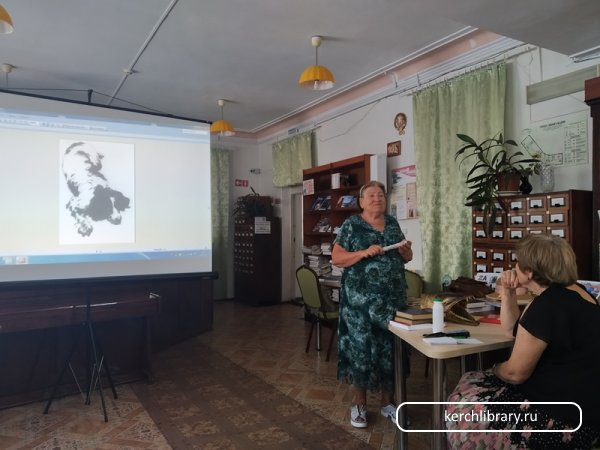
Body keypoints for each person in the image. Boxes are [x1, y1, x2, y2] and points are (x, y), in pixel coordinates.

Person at [445, 235, 600, 449]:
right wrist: (508, 291)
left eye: (517, 262)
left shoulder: (546, 305)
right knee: (477, 381)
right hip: (587, 416)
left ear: (530, 272)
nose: (513, 267)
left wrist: (495, 369)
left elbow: (515, 374)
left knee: (466, 399)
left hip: (559, 422)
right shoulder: (581, 294)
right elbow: (512, 330)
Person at [331, 181, 413, 428]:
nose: (377, 199)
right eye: (371, 195)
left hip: (392, 302)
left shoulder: (393, 224)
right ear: (361, 201)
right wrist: (362, 252)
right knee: (361, 351)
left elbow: (407, 258)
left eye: (381, 195)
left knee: (391, 351)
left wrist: (406, 252)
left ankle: (388, 403)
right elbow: (337, 258)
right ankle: (359, 405)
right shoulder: (352, 225)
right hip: (360, 305)